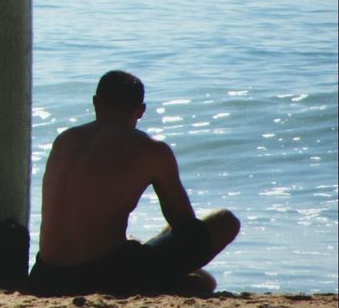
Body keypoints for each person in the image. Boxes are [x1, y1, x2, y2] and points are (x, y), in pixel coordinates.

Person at [29, 70, 240, 295]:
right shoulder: (152, 150)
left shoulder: (65, 140)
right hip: (100, 277)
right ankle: (174, 282)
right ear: (141, 110)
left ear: (95, 103)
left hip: (45, 275)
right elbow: (185, 227)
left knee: (150, 251)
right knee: (225, 222)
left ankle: (172, 280)